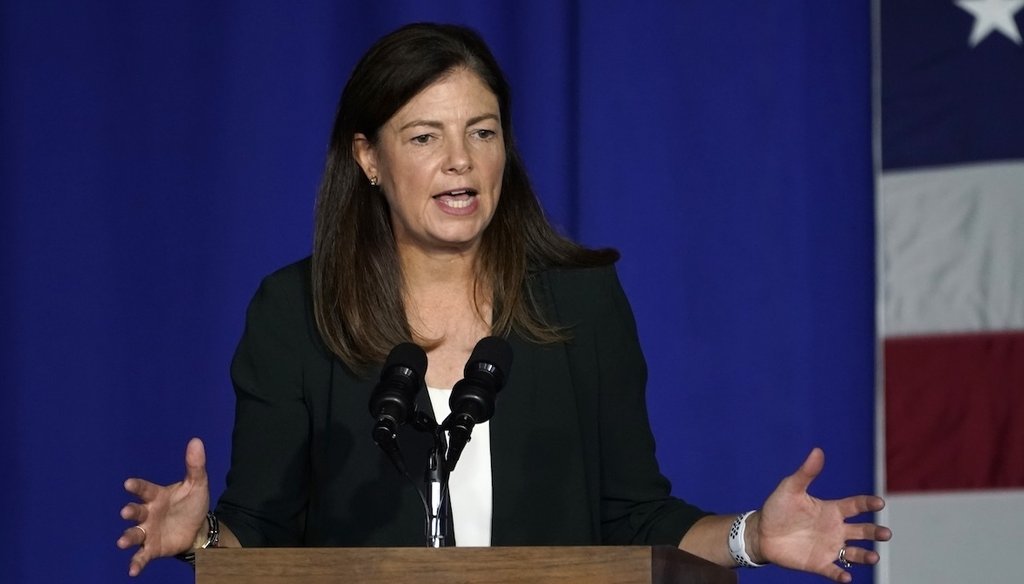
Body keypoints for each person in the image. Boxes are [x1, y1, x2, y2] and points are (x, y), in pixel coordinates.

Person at [116, 22, 890, 582]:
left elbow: (634, 517)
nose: (460, 160)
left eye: (481, 132)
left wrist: (755, 537)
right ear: (368, 160)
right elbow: (264, 536)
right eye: (424, 137)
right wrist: (202, 537)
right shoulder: (296, 312)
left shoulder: (581, 303)